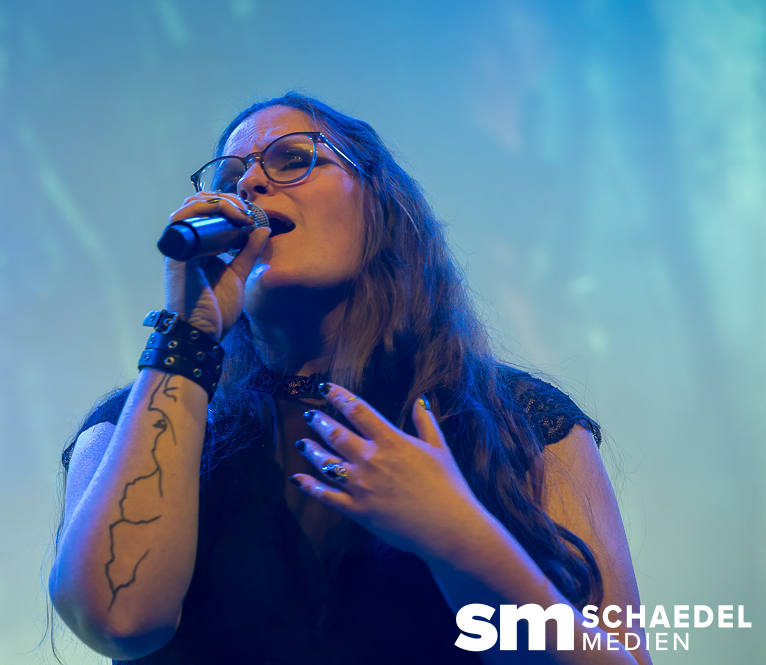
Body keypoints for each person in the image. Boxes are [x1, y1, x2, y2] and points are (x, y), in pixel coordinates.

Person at [47, 92, 652, 665]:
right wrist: (188, 334)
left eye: (292, 159)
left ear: (380, 206)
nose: (249, 184)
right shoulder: (134, 422)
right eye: (228, 180)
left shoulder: (522, 420)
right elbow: (119, 618)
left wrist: (458, 536)